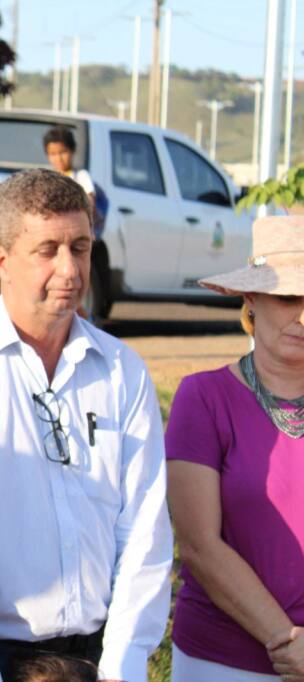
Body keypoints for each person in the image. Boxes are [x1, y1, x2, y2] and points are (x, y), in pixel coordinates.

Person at [0, 168, 173, 682]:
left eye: (80, 247)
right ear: (0, 261)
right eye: (47, 250)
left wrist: (121, 664)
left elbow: (144, 528)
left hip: (98, 657)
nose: (70, 269)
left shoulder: (121, 369)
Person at [165, 215, 304, 682]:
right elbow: (200, 545)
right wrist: (289, 642)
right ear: (252, 299)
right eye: (288, 298)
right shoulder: (203, 398)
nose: (302, 316)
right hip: (221, 660)